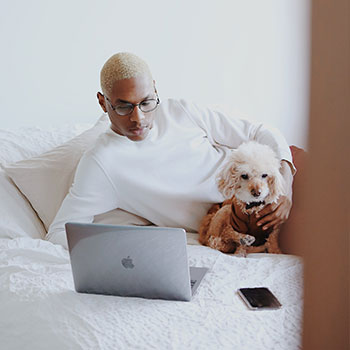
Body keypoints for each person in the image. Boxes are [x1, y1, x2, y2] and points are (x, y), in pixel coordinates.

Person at [47, 52, 295, 249]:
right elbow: (59, 233)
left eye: (146, 102)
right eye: (124, 107)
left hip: (273, 187)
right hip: (231, 225)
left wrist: (286, 185)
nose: (139, 118)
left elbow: (260, 132)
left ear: (155, 89)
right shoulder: (102, 162)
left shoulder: (181, 111)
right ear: (103, 102)